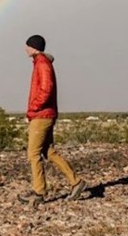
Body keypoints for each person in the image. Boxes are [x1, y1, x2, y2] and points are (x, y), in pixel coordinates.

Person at [18, 34, 86, 206]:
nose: (25, 48)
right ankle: (76, 182)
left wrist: (33, 108)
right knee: (49, 152)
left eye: (27, 45)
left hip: (41, 115)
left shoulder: (41, 63)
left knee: (33, 154)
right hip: (45, 114)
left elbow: (46, 89)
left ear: (33, 47)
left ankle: (39, 192)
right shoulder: (41, 63)